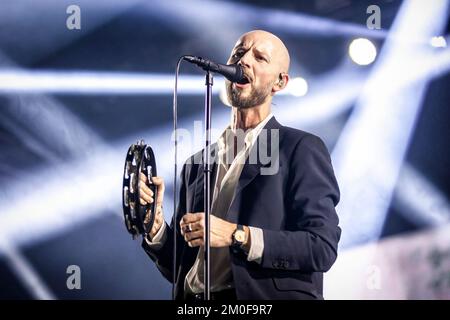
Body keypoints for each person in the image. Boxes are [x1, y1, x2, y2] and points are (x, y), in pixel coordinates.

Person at [139, 30, 341, 300]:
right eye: (238, 53)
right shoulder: (197, 164)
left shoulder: (299, 148)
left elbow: (321, 247)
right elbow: (182, 266)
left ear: (280, 82)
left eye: (260, 57)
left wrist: (237, 235)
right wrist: (155, 226)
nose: (244, 60)